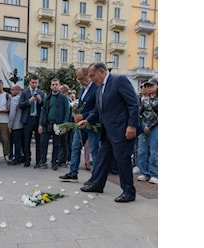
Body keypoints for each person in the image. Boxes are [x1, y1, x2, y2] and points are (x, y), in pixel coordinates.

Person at [78, 62, 141, 203]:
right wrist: (87, 120)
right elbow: (98, 109)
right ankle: (98, 184)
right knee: (102, 158)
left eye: (93, 75)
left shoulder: (119, 80)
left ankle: (129, 192)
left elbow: (133, 103)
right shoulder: (100, 88)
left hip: (123, 130)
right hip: (108, 132)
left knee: (122, 161)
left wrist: (132, 125)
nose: (92, 79)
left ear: (101, 71)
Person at [59, 67, 100, 182]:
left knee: (94, 150)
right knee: (75, 146)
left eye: (81, 78)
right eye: (78, 79)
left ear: (88, 76)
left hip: (92, 124)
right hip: (80, 124)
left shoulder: (96, 88)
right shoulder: (82, 89)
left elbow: (98, 108)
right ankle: (73, 173)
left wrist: (84, 116)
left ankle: (95, 177)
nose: (80, 81)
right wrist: (77, 114)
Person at [36, 78, 70, 170]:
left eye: (56, 84)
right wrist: (40, 124)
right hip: (47, 124)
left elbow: (67, 111)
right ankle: (43, 161)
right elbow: (43, 112)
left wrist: (65, 125)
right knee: (43, 143)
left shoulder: (63, 98)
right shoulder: (47, 98)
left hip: (58, 124)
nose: (55, 86)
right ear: (51, 86)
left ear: (59, 86)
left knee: (56, 144)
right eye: (53, 84)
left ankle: (54, 162)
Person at [19, 74, 45, 167]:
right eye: (33, 82)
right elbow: (21, 105)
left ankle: (38, 161)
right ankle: (27, 160)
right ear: (30, 82)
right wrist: (30, 101)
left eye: (36, 83)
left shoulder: (41, 92)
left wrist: (40, 100)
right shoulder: (25, 93)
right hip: (28, 119)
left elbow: (44, 106)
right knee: (26, 141)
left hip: (37, 119)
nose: (34, 84)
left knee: (39, 141)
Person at [137, 77, 158, 184]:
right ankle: (144, 172)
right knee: (142, 150)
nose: (148, 88)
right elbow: (140, 113)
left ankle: (155, 173)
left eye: (151, 85)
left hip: (155, 127)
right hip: (144, 125)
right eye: (147, 86)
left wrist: (149, 126)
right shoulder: (145, 100)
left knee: (154, 151)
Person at [7, 84, 24, 166]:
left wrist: (10, 125)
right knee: (22, 142)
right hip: (23, 123)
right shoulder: (23, 98)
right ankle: (23, 156)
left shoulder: (14, 99)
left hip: (16, 124)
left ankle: (17, 158)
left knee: (16, 142)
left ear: (17, 91)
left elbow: (12, 113)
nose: (11, 91)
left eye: (12, 89)